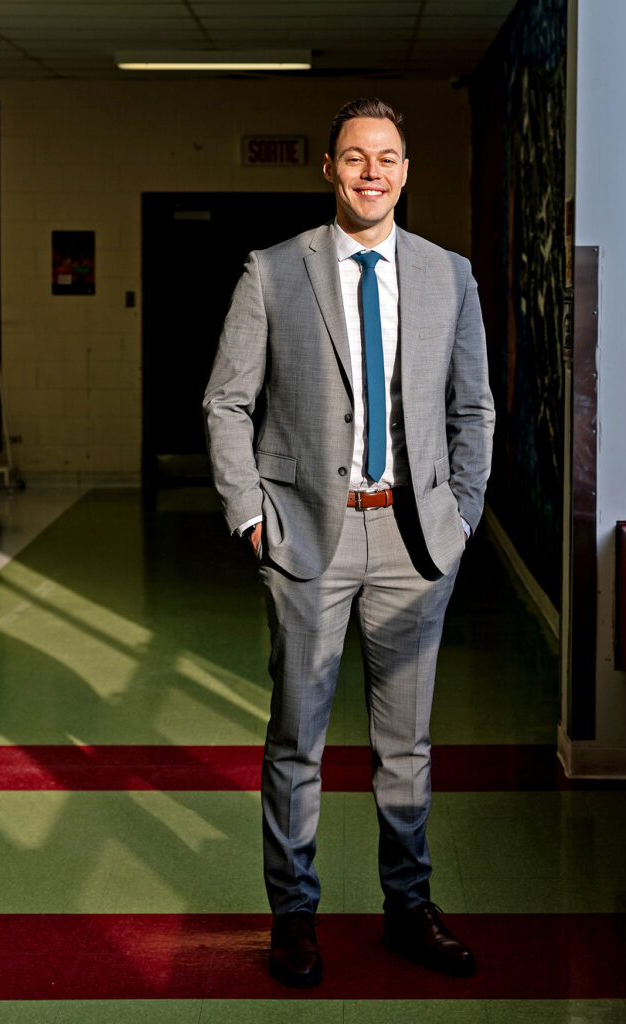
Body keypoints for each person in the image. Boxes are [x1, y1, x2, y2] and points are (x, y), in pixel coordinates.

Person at [204, 97, 494, 988]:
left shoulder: (449, 275)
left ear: (406, 172)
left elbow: (472, 406)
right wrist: (251, 514)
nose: (372, 172)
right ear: (328, 168)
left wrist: (463, 512)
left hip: (414, 540)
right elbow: (227, 402)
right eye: (355, 157)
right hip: (307, 540)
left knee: (405, 746)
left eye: (389, 158)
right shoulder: (273, 270)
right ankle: (294, 917)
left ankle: (408, 908)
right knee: (297, 739)